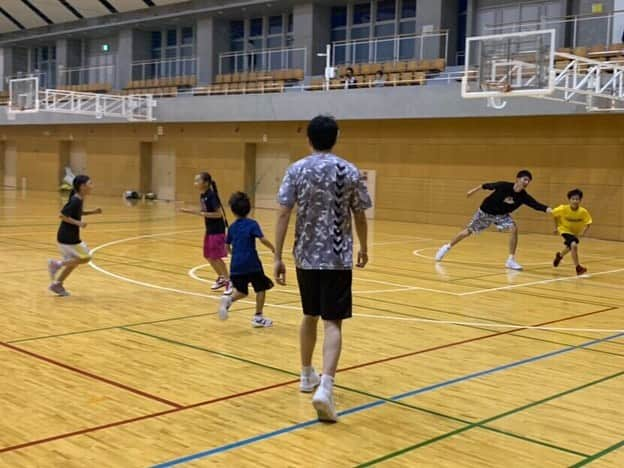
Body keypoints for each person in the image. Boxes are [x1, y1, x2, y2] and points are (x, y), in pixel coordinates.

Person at [275, 114, 371, 422]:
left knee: (309, 315)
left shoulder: (296, 169)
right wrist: (364, 246)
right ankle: (325, 387)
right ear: (336, 136)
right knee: (333, 322)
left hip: (305, 256)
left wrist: (277, 256)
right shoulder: (350, 170)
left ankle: (305, 375)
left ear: (308, 138)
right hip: (337, 257)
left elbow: (283, 213)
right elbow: (359, 215)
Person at [435, 170, 552, 270]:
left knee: (514, 228)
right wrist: (472, 191)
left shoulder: (524, 196)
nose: (526, 182)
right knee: (468, 231)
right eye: (524, 179)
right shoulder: (503, 186)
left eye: (528, 181)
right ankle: (446, 247)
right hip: (485, 212)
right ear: (517, 179)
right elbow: (485, 185)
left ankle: (511, 260)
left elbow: (536, 205)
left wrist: (548, 210)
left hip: (501, 216)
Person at [218, 192, 275, 327]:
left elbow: (226, 247)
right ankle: (258, 317)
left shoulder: (232, 228)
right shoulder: (252, 224)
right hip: (252, 264)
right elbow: (262, 239)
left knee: (242, 291)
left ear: (233, 210)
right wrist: (273, 248)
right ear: (248, 208)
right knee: (261, 288)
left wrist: (235, 255)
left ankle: (228, 299)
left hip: (236, 266)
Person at [47, 175, 102, 296]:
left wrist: (93, 212)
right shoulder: (76, 200)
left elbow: (77, 213)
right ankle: (56, 264)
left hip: (66, 237)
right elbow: (62, 215)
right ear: (82, 186)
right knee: (86, 258)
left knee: (74, 262)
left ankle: (57, 285)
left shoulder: (79, 199)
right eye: (90, 183)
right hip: (68, 238)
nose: (92, 186)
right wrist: (78, 223)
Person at [179, 172, 232, 295]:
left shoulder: (211, 196)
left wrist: (200, 214)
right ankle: (222, 278)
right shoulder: (203, 196)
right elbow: (203, 211)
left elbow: (218, 214)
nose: (195, 183)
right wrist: (188, 210)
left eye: (198, 181)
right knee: (208, 256)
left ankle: (229, 281)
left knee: (216, 257)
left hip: (217, 230)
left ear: (206, 183)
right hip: (209, 229)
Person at [552, 188, 592, 275]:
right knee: (573, 245)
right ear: (569, 200)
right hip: (564, 229)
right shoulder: (563, 208)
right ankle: (578, 267)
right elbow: (554, 214)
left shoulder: (583, 211)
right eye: (573, 199)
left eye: (577, 199)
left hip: (575, 233)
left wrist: (583, 233)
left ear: (580, 200)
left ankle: (560, 256)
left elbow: (588, 223)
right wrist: (556, 227)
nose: (575, 201)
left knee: (570, 247)